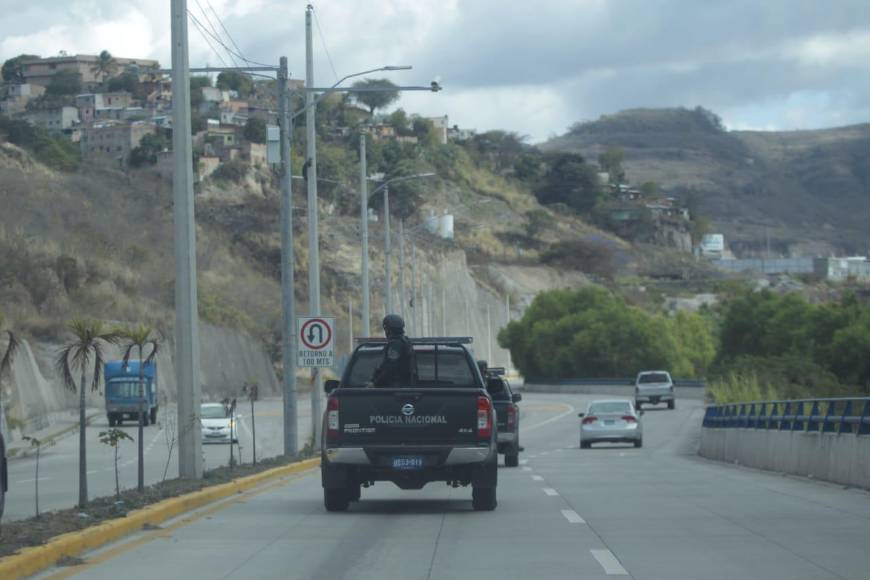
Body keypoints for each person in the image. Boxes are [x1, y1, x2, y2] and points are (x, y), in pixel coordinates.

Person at [370, 314, 415, 387]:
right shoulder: (405, 341)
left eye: (386, 329)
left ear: (388, 330)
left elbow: (390, 368)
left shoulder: (395, 345)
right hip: (404, 386)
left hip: (395, 388)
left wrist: (375, 383)